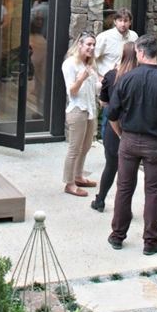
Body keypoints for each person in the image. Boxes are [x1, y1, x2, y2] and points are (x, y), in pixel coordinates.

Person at [107, 34, 157, 255]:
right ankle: (150, 242)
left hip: (129, 139)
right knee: (152, 192)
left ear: (139, 53)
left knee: (124, 188)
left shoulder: (126, 79)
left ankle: (117, 235)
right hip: (154, 141)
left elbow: (112, 113)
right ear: (155, 53)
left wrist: (121, 134)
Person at [91, 41, 138, 213]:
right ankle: (126, 208)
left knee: (111, 165)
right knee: (130, 170)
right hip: (133, 126)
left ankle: (101, 199)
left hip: (114, 125)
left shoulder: (112, 76)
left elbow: (103, 102)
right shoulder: (138, 77)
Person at [61, 31, 100, 197]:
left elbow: (96, 87)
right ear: (80, 45)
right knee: (74, 149)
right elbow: (72, 91)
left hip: (90, 110)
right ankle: (69, 184)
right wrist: (82, 78)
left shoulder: (89, 65)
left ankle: (78, 177)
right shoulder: (70, 64)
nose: (91, 48)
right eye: (88, 44)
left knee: (85, 147)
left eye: (93, 45)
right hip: (77, 110)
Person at [95, 9, 138, 137]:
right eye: (120, 21)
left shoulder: (134, 37)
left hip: (128, 82)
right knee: (108, 116)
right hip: (110, 81)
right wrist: (99, 77)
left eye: (126, 21)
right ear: (115, 21)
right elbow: (92, 58)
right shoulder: (104, 37)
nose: (123, 24)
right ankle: (106, 144)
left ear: (130, 22)